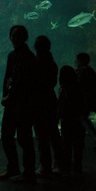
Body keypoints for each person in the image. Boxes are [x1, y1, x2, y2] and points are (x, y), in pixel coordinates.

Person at [0, 25, 38, 184]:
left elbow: (23, 81)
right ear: (9, 37)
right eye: (13, 35)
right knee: (6, 135)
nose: (15, 38)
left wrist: (10, 96)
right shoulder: (11, 55)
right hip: (11, 103)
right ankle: (13, 167)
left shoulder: (28, 56)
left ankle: (29, 172)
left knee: (24, 138)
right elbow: (8, 77)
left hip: (24, 104)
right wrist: (5, 96)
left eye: (18, 35)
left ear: (25, 37)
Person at [33, 35, 62, 177]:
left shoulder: (36, 63)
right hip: (51, 101)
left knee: (42, 137)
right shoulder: (52, 63)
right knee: (54, 134)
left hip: (39, 103)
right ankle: (59, 164)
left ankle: (45, 167)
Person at [75, 52, 96, 152]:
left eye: (77, 60)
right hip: (88, 101)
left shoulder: (82, 72)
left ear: (79, 61)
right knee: (82, 121)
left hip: (84, 101)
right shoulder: (90, 72)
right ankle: (81, 142)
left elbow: (78, 86)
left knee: (83, 119)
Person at [58, 65, 85, 174]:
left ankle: (67, 167)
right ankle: (78, 166)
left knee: (67, 144)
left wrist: (58, 116)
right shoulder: (79, 88)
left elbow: (61, 106)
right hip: (78, 121)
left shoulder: (63, 90)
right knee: (78, 145)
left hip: (67, 121)